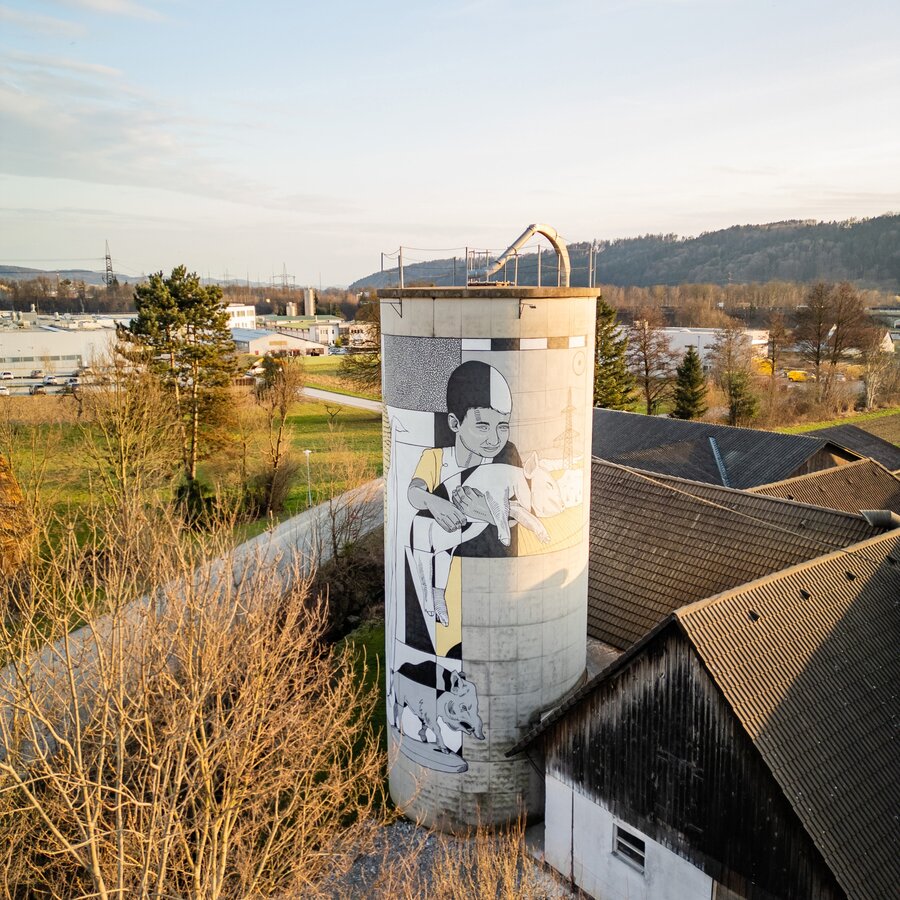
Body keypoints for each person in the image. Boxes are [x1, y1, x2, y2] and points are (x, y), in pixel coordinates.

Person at [406, 361, 519, 647]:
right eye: (482, 426)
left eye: (502, 426)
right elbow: (414, 491)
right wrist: (434, 503)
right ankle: (434, 597)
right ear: (455, 423)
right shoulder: (435, 458)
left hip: (490, 581)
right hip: (441, 560)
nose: (494, 439)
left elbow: (518, 517)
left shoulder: (505, 459)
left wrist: (486, 513)